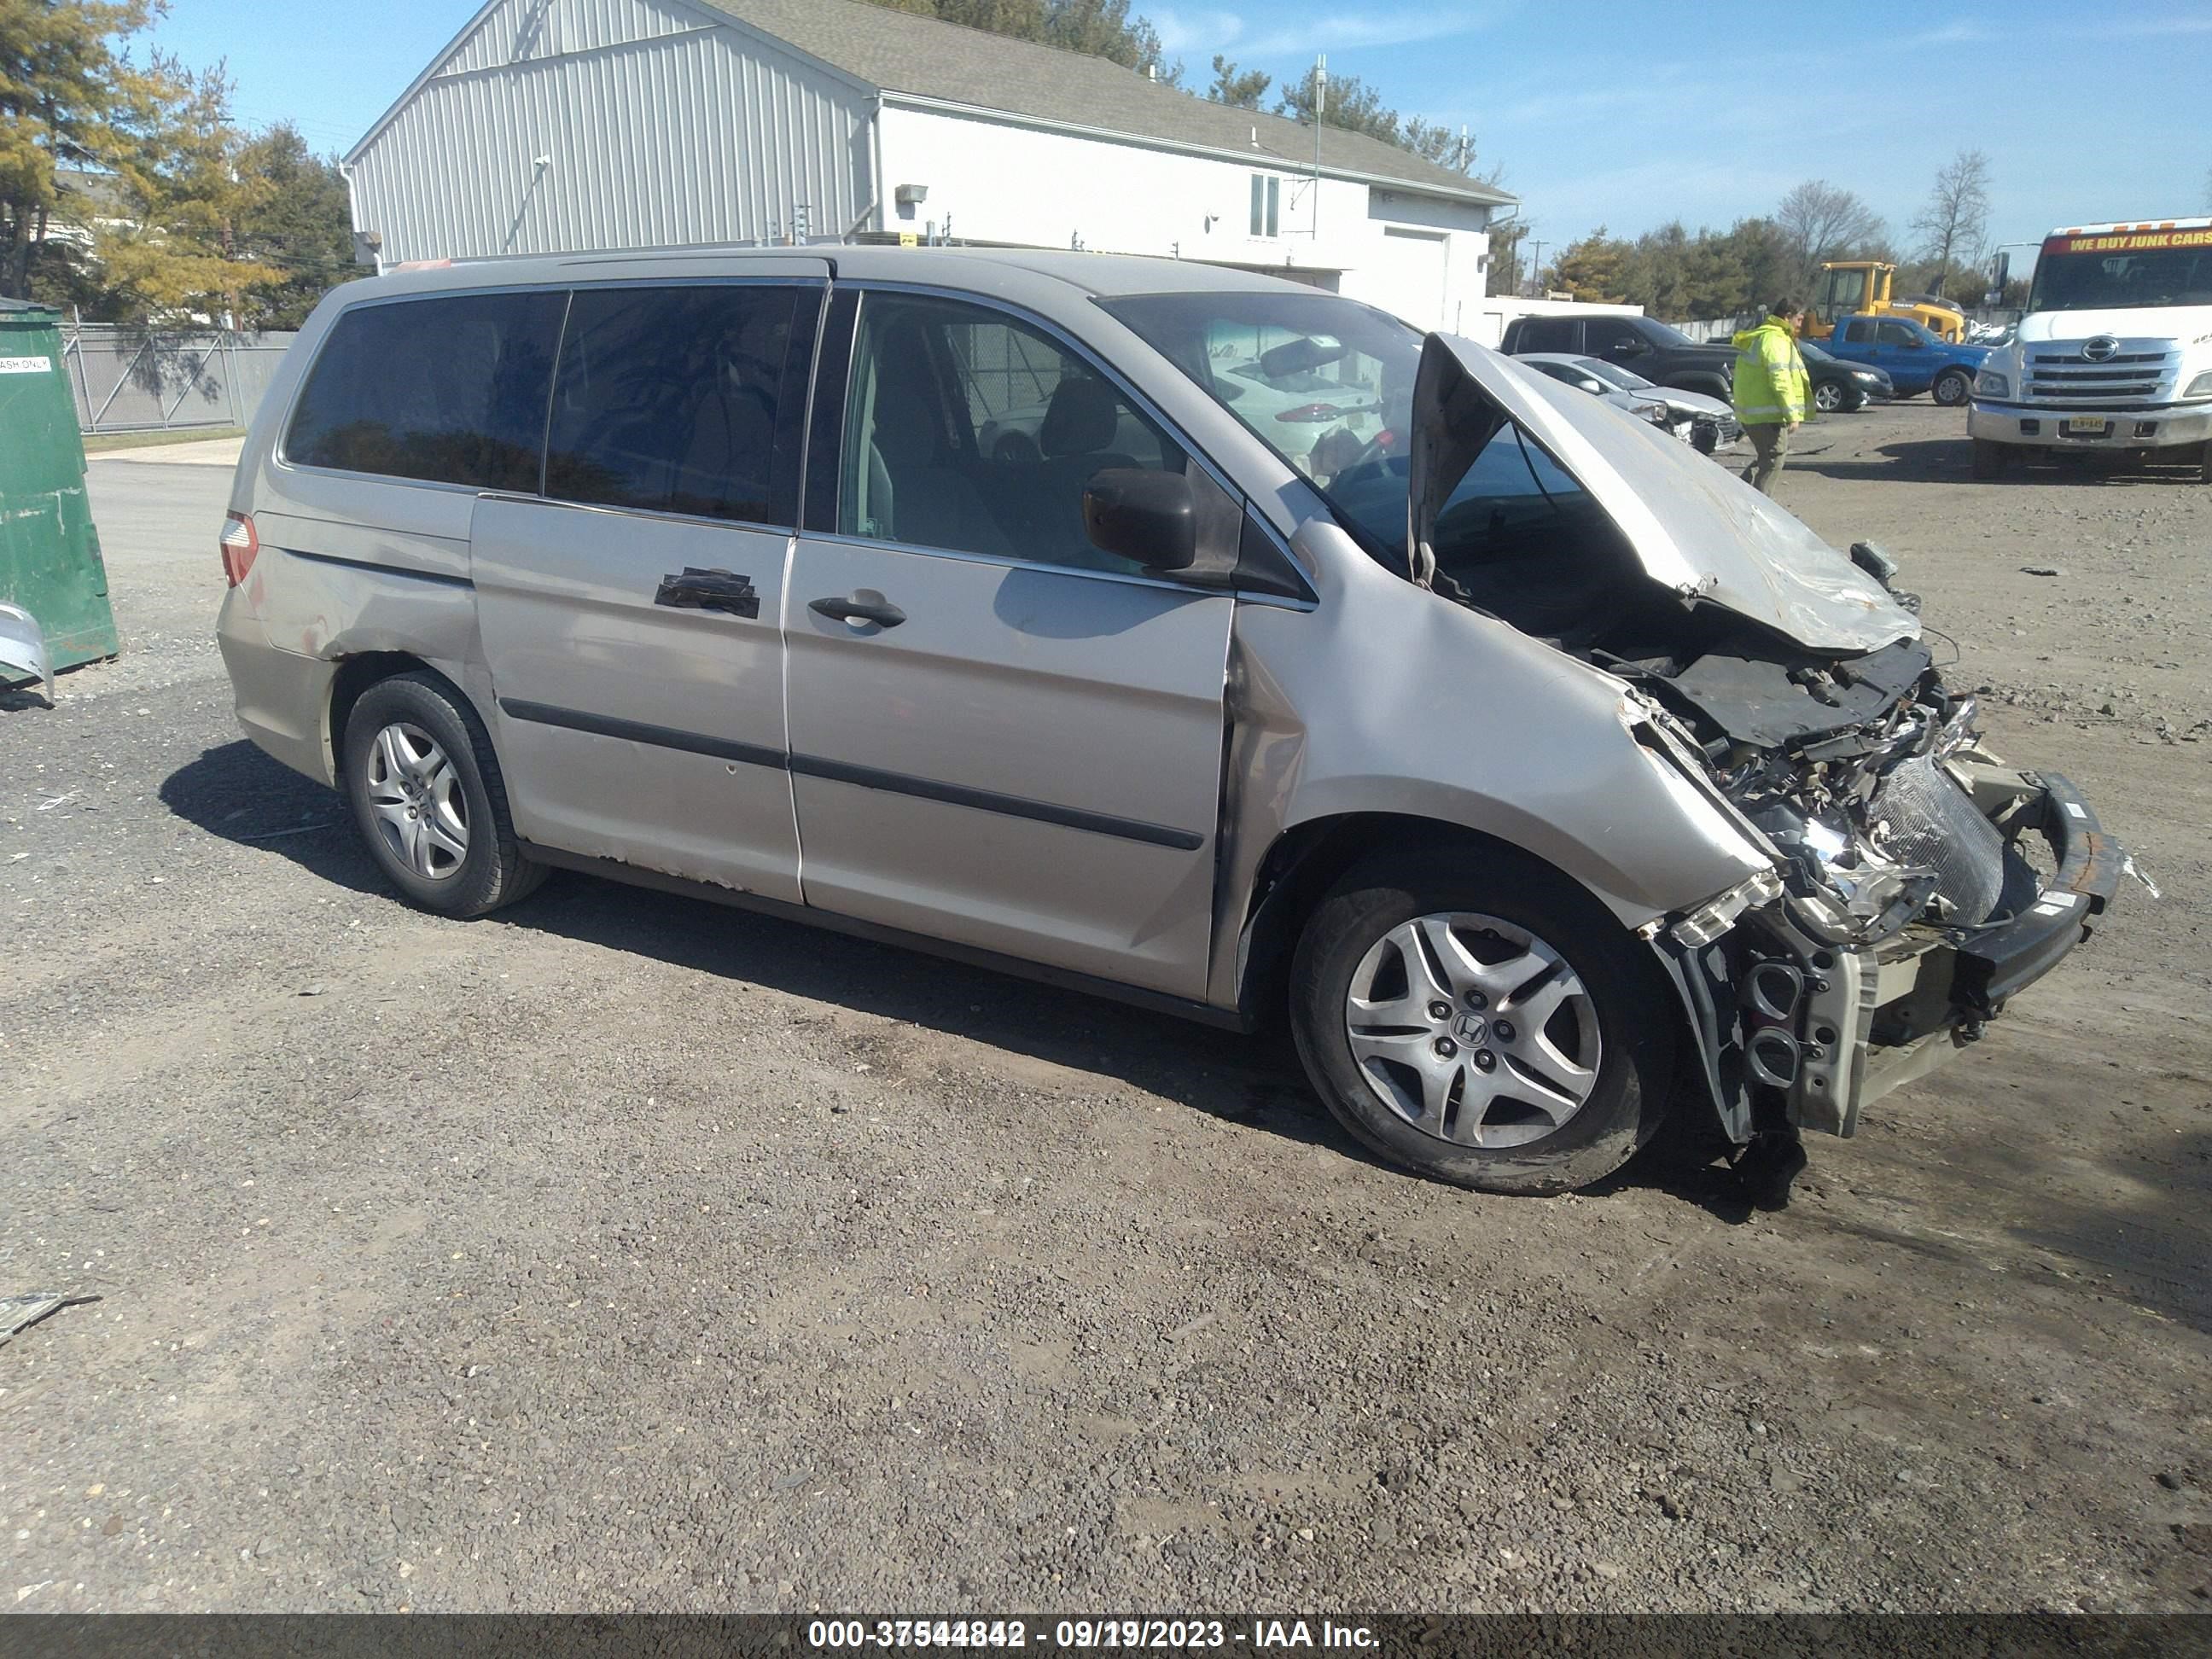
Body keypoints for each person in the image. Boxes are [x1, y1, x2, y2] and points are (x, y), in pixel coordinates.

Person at [1732, 297, 1812, 496]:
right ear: (1788, 316)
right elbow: (1780, 379)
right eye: (1799, 320)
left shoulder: (1765, 336)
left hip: (1757, 413)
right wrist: (1791, 414)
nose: (1801, 325)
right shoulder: (1775, 340)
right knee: (1773, 461)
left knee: (1767, 458)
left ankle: (1741, 495)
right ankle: (1758, 507)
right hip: (1767, 415)